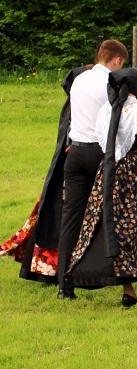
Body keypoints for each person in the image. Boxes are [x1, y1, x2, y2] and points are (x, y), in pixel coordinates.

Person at [67, 69, 137, 306]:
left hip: (109, 171)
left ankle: (129, 285)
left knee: (117, 225)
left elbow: (102, 140)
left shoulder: (105, 110)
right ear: (136, 87)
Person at [1, 66, 87, 284]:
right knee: (59, 218)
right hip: (68, 172)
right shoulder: (75, 107)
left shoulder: (76, 104)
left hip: (69, 169)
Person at [57, 39, 128, 300]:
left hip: (75, 151)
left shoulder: (79, 79)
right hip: (99, 153)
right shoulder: (110, 82)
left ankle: (64, 281)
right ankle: (105, 273)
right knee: (109, 213)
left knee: (71, 216)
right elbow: (117, 121)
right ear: (117, 61)